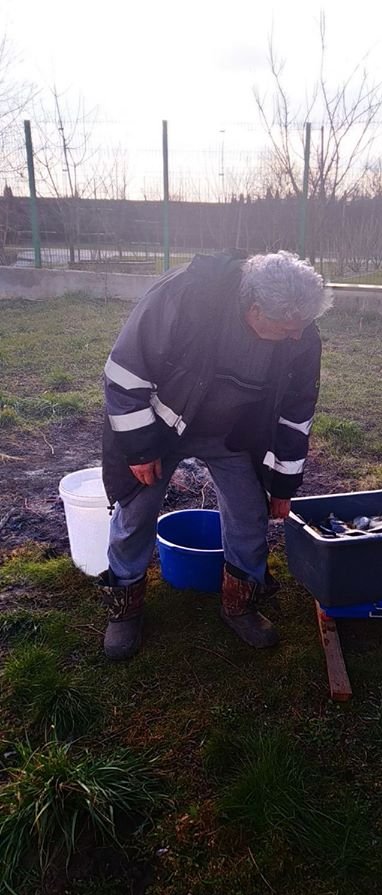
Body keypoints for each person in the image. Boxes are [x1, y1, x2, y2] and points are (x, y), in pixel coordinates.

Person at [99, 250, 332, 659]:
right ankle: (124, 607)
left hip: (235, 434)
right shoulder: (185, 296)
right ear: (255, 311)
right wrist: (138, 448)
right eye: (287, 328)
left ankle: (239, 604)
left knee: (249, 513)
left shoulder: (301, 333)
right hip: (162, 428)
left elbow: (297, 414)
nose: (297, 336)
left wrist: (283, 484)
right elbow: (123, 374)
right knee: (136, 510)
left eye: (302, 327)